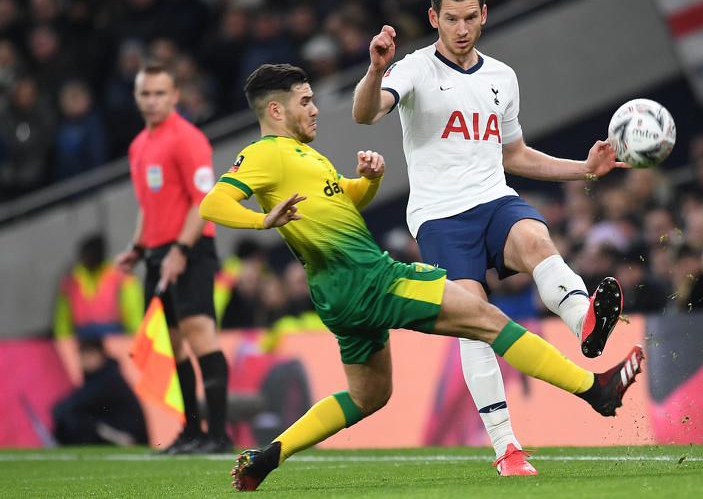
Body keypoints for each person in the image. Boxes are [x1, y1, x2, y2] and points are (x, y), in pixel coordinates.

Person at [198, 63, 644, 492]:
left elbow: (343, 202)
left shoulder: (300, 155)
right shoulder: (263, 155)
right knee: (489, 320)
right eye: (305, 101)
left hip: (335, 295)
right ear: (276, 110)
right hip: (370, 279)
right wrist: (264, 221)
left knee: (369, 395)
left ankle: (269, 456)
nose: (314, 109)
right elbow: (213, 205)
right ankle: (596, 390)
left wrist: (368, 181)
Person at [351, 0, 629, 474]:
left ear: (485, 14)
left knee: (537, 239)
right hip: (439, 217)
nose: (461, 29)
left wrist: (585, 169)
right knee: (475, 320)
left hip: (493, 198)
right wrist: (374, 72)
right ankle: (507, 448)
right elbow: (365, 115)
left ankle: (584, 325)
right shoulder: (412, 69)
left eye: (470, 17)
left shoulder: (502, 77)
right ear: (434, 18)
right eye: (451, 19)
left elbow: (515, 154)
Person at [114, 64, 232, 454]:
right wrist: (138, 247)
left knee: (200, 334)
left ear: (175, 96)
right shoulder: (138, 146)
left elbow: (204, 201)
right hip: (159, 252)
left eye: (160, 94)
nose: (152, 101)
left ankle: (218, 435)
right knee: (176, 344)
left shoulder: (188, 139)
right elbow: (149, 205)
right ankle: (192, 432)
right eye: (146, 94)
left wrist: (180, 251)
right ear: (136, 97)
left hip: (191, 249)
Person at [52, 336, 148, 446]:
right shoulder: (98, 378)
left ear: (100, 354)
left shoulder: (108, 381)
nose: (83, 360)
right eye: (81, 355)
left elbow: (71, 405)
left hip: (129, 436)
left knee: (74, 419)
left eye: (88, 354)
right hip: (120, 431)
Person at [54, 233, 144, 340]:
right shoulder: (71, 278)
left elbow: (134, 308)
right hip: (82, 336)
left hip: (115, 334)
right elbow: (62, 316)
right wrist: (63, 339)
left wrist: (136, 335)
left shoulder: (119, 275)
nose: (87, 258)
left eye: (90, 254)